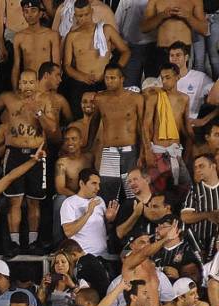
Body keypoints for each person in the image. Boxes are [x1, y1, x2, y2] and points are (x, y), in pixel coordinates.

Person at [0, 70, 55, 254]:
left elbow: (53, 129)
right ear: (18, 83)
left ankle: (33, 242)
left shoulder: (45, 100)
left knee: (35, 201)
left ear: (36, 83)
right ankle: (14, 242)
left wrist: (38, 112)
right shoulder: (8, 98)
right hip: (14, 153)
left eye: (31, 82)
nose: (27, 86)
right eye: (23, 82)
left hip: (37, 153)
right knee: (14, 201)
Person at [63, 0, 131, 117]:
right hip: (81, 83)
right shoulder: (72, 37)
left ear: (92, 12)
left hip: (105, 81)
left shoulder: (106, 30)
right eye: (80, 16)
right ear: (75, 16)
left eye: (87, 14)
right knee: (81, 117)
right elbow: (67, 66)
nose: (84, 18)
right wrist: (82, 77)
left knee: (108, 116)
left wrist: (114, 72)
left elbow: (126, 52)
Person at [86, 66, 144, 201]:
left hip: (130, 150)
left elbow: (142, 128)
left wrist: (144, 151)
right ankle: (109, 221)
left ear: (122, 79)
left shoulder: (136, 98)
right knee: (107, 193)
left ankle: (134, 220)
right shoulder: (99, 98)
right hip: (109, 151)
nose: (109, 81)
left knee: (133, 192)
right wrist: (88, 144)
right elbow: (94, 123)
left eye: (113, 78)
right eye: (106, 78)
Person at [142, 64, 193, 192]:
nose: (164, 81)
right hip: (157, 152)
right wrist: (147, 151)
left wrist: (191, 147)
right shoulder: (154, 96)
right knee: (158, 190)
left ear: (177, 77)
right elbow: (145, 126)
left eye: (168, 77)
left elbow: (186, 128)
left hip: (176, 152)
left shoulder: (184, 98)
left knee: (182, 189)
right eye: (162, 78)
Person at [60, 169, 119, 256]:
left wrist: (110, 219)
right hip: (82, 256)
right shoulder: (69, 203)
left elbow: (106, 229)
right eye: (94, 183)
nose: (98, 188)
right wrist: (88, 213)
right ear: (81, 183)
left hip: (103, 255)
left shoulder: (99, 200)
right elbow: (68, 232)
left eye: (98, 184)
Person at [12, 0, 60, 88]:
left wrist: (54, 90)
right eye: (26, 11)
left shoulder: (52, 35)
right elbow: (16, 67)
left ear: (40, 13)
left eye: (33, 10)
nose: (29, 15)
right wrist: (15, 90)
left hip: (46, 83)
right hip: (28, 83)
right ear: (23, 13)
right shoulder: (18, 37)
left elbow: (56, 66)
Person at [181, 154, 219, 258]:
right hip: (199, 247)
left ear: (213, 166)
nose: (197, 170)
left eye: (201, 166)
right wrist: (208, 215)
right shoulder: (195, 190)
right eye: (195, 167)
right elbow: (185, 217)